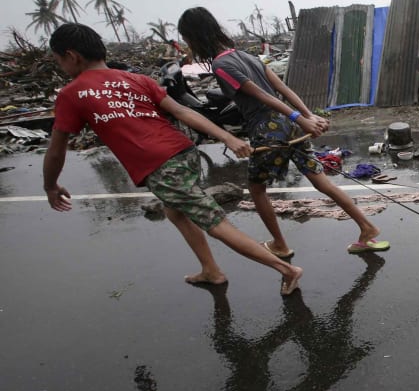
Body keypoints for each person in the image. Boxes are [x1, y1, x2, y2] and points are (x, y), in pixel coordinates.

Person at [44, 23, 304, 296]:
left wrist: (51, 185)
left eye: (59, 60)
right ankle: (210, 270)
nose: (62, 66)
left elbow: (57, 148)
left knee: (215, 222)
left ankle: (286, 270)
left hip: (160, 166)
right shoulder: (136, 79)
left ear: (72, 55)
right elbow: (182, 111)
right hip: (184, 151)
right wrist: (225, 137)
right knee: (175, 211)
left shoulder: (71, 94)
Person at [176, 6, 388, 258]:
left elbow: (263, 95)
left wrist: (305, 117)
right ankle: (366, 227)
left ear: (195, 36)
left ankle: (279, 244)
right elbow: (283, 89)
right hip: (289, 126)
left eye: (187, 39)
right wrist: (306, 116)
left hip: (268, 129)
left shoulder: (221, 64)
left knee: (256, 189)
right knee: (321, 180)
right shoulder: (248, 56)